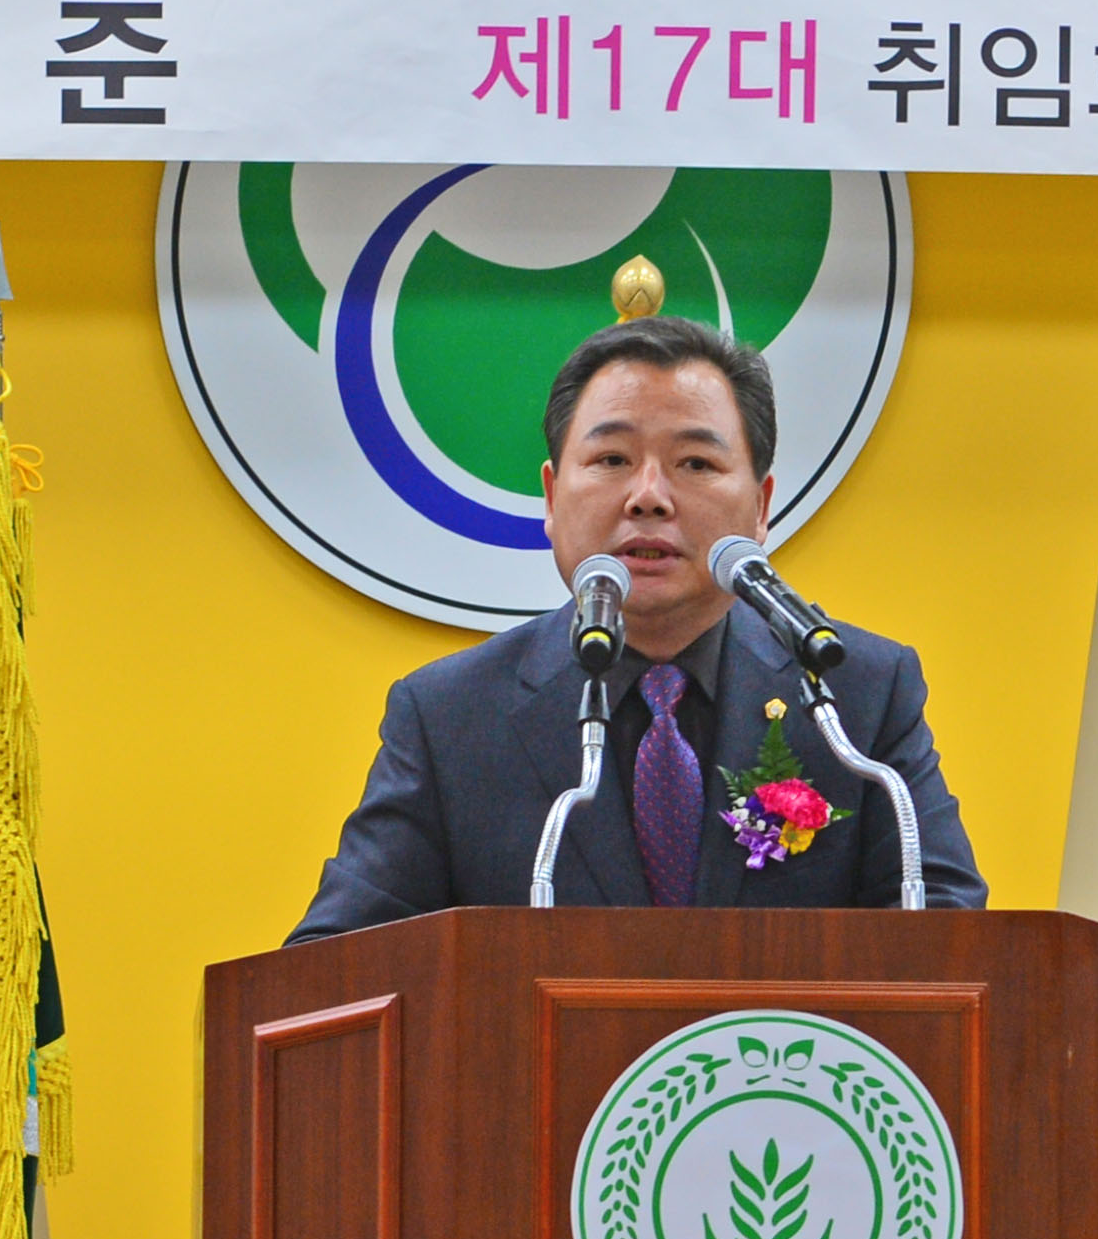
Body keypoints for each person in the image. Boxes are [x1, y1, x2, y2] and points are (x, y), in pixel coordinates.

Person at [291, 311, 981, 937]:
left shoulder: (854, 694)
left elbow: (952, 947)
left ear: (762, 507)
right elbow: (334, 969)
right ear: (554, 497)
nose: (649, 496)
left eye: (696, 464)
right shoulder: (450, 718)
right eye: (612, 460)